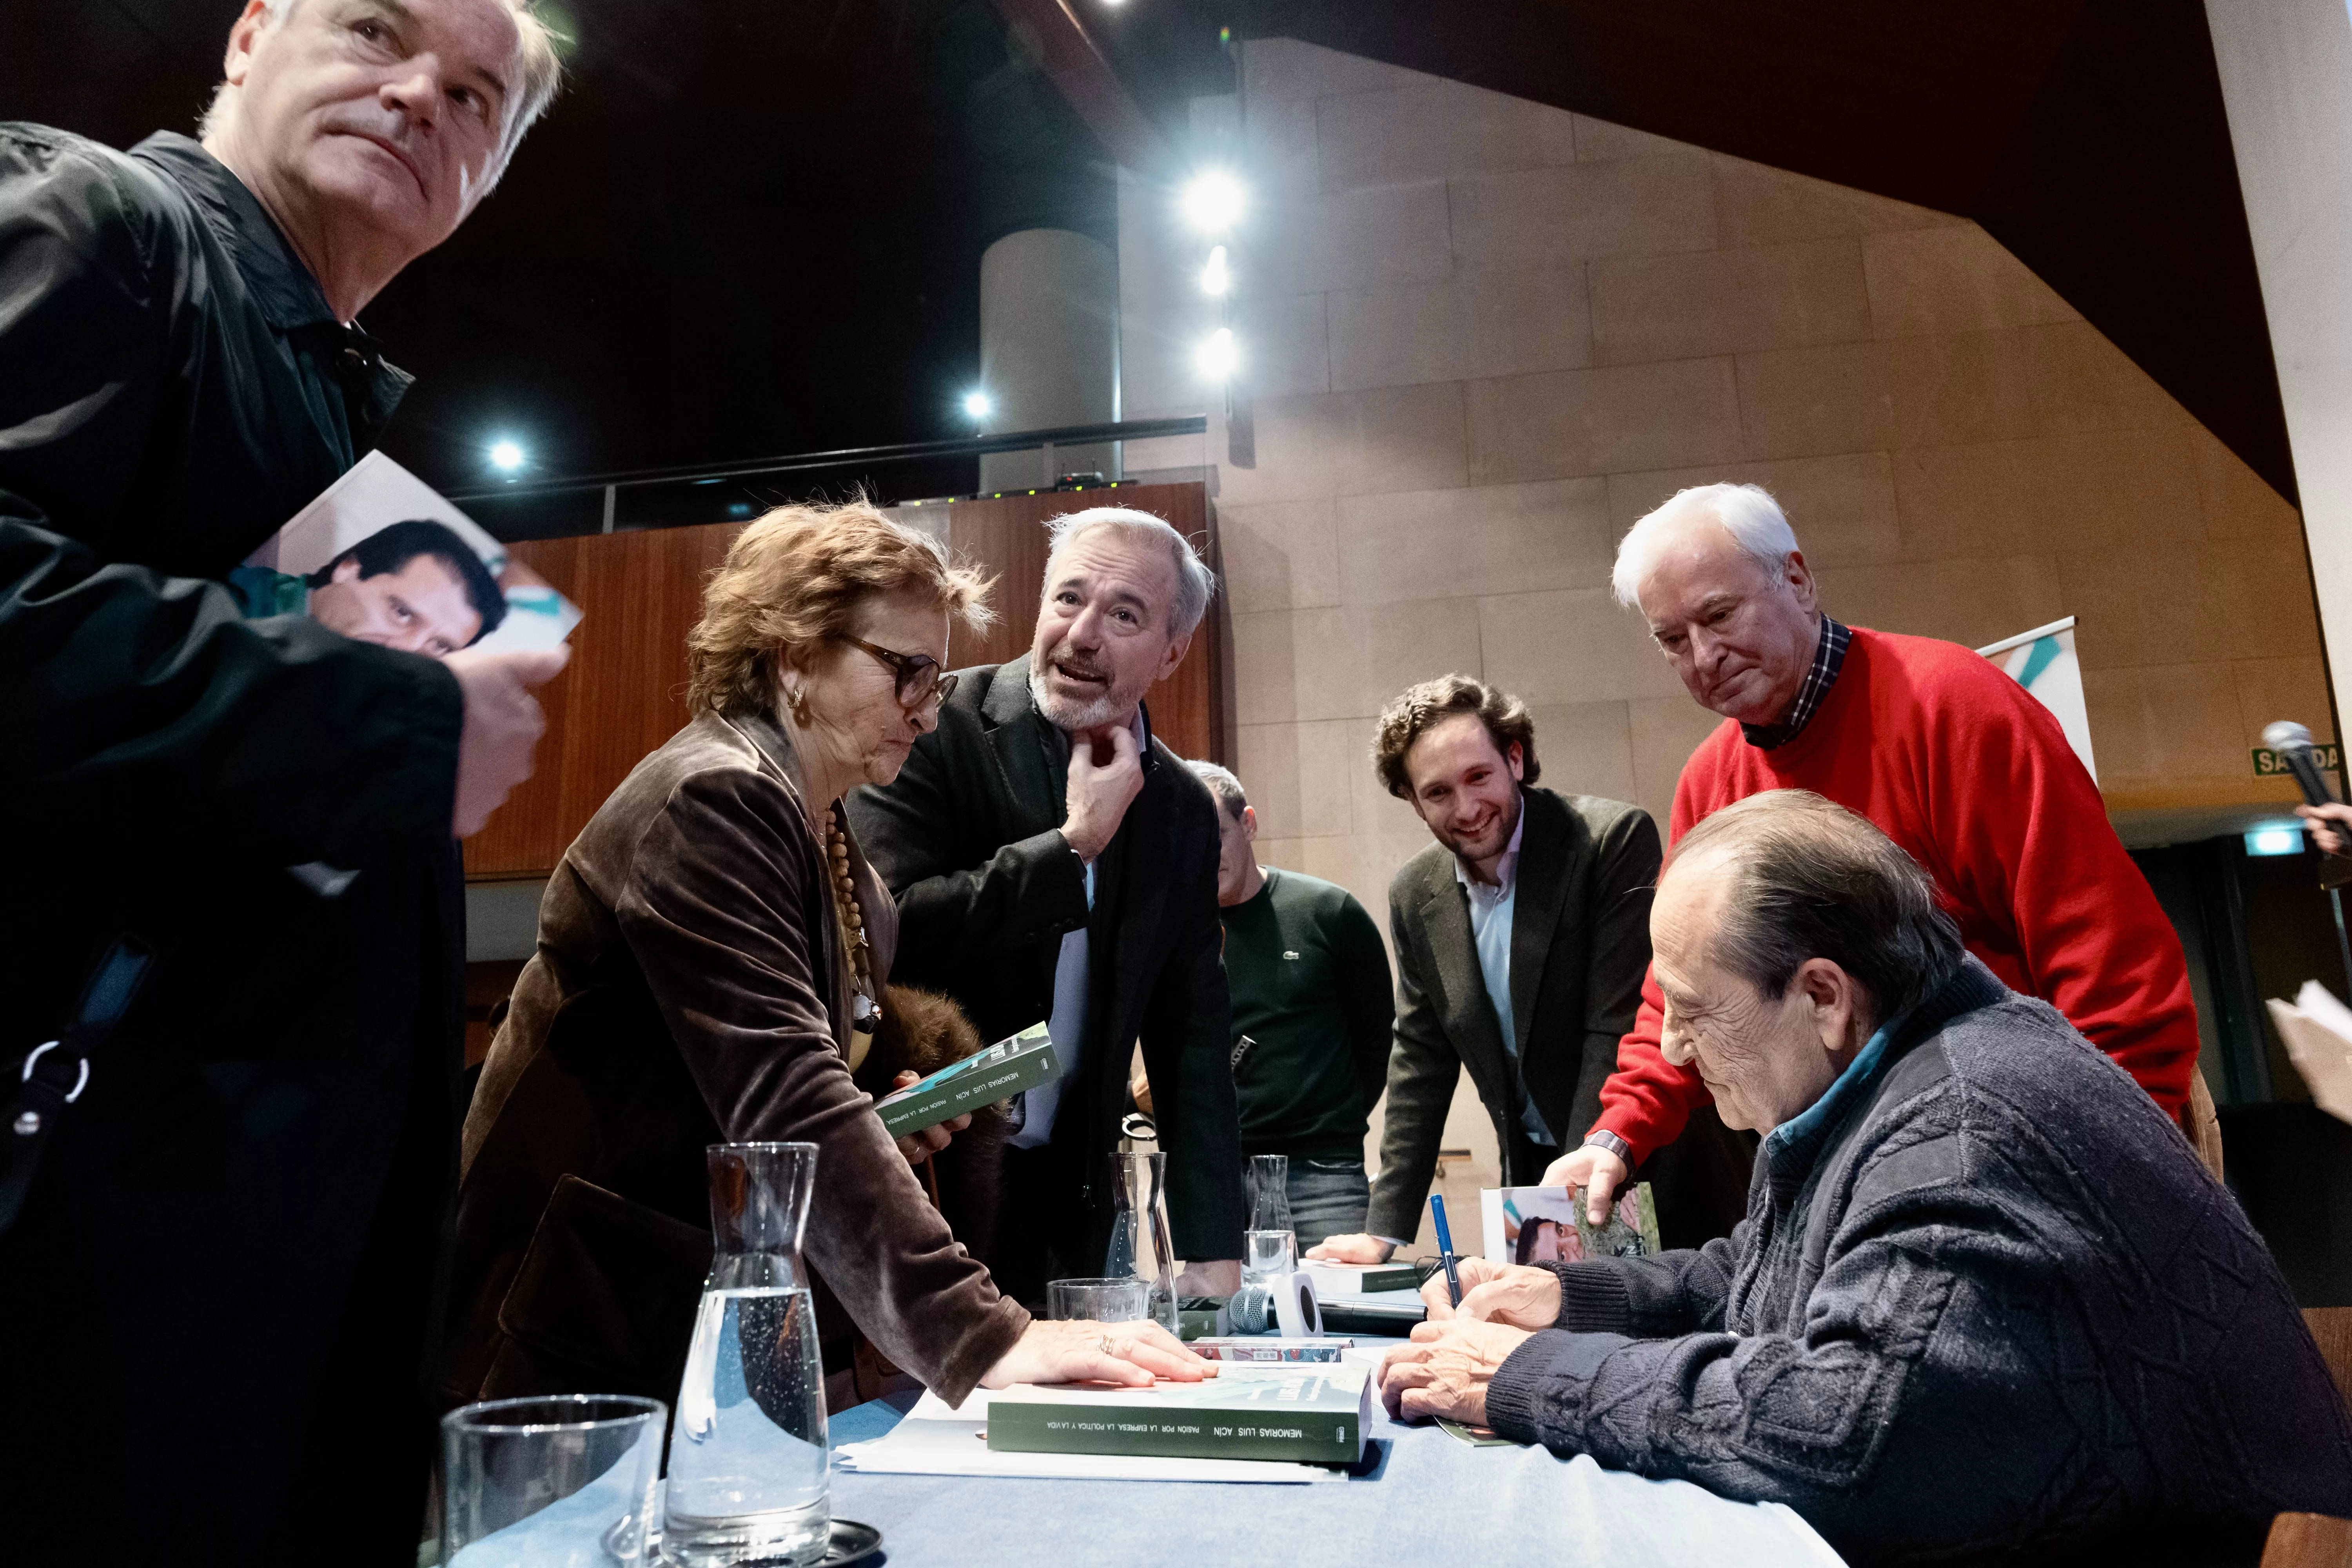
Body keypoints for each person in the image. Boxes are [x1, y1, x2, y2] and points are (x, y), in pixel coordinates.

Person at [0, 4, 567, 1562]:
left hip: (255, 1328)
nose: (421, 95)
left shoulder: (339, 429)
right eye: (377, 29)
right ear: (251, 33)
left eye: (477, 97)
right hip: (78, 1316)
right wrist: (392, 719)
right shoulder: (99, 218)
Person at [1379, 790, 2352, 1564]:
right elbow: (1765, 1273)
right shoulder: (1909, 1072)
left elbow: (1841, 1435)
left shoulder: (1967, 1131)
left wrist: (1530, 1376)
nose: (1670, 1045)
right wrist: (1571, 1298)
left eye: (1693, 1009)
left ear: (1822, 995)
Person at [449, 503, 1209, 1417]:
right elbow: (787, 1090)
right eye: (906, 672)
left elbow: (776, 1089)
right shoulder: (715, 797)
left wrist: (885, 1112)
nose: (929, 711)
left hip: (677, 1307)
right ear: (795, 654)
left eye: (936, 679)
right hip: (564, 1321)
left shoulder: (830, 839)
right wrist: (981, 1332)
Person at [1543, 482, 2203, 1226]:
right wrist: (1617, 1137)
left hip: (2049, 1151)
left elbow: (2115, 972)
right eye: (1672, 640)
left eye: (1719, 615)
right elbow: (1686, 996)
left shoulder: (1956, 706)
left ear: (1797, 579)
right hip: (1863, 1178)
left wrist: (2091, 1170)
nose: (1703, 655)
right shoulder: (1709, 779)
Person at [847, 507, 1247, 1305]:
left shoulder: (1180, 806)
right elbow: (887, 933)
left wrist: (1212, 1247)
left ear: (1173, 650)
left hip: (1069, 1209)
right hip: (922, 1174)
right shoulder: (931, 726)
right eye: (1068, 598)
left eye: (1124, 614)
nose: (1083, 634)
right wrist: (1073, 846)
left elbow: (1191, 1034)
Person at [1310, 677, 1752, 1263]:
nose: (1466, 808)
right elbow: (1421, 1057)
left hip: (1655, 1162)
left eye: (1478, 777)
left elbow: (1613, 1026)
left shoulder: (1610, 840)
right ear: (1412, 799)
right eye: (1438, 792)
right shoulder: (1415, 892)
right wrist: (1383, 1231)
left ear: (1515, 759)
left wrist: (1564, 1202)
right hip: (1539, 1167)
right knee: (1551, 1315)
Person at [1166, 761, 1393, 1251]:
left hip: (1322, 1174)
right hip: (1215, 1178)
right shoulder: (1173, 932)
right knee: (1223, 1304)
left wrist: (1329, 1122)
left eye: (1215, 836)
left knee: (1337, 1297)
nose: (1202, 856)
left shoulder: (1329, 913)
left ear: (1247, 824)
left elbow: (1377, 1041)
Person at [234, 517, 510, 653]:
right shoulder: (224, 608)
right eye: (402, 613)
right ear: (347, 569)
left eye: (440, 646)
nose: (408, 651)